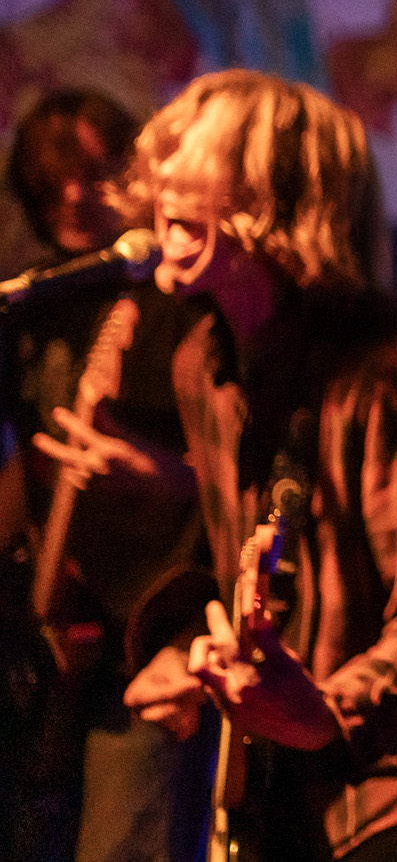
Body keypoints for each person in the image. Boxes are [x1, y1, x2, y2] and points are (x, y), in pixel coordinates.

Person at [109, 70, 397, 860]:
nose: (167, 177)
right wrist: (192, 654)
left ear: (283, 199)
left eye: (199, 157)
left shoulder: (388, 377)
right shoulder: (205, 365)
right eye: (168, 157)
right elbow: (250, 573)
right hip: (281, 793)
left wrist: (326, 716)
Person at [0, 90, 210, 862]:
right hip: (55, 638)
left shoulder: (177, 296)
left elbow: (246, 474)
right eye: (50, 179)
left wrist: (161, 473)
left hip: (152, 631)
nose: (72, 194)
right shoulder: (34, 304)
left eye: (92, 173)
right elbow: (29, 457)